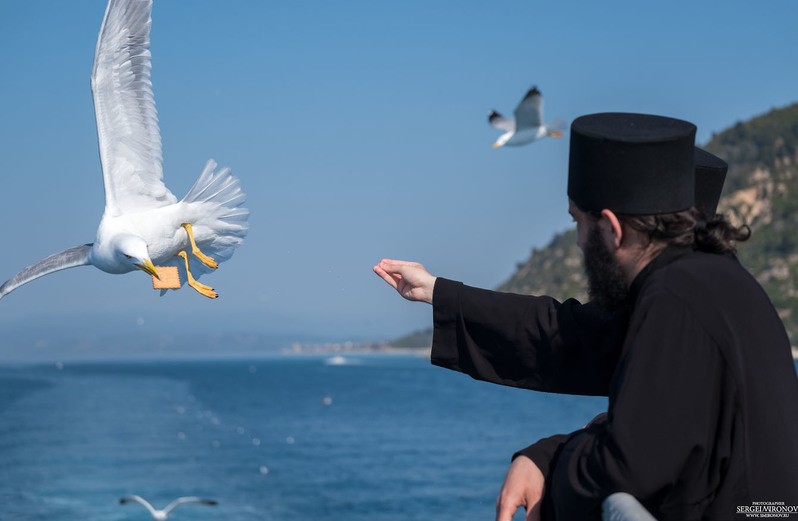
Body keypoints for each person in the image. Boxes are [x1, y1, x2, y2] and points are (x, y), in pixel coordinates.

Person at [373, 112, 798, 521]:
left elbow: (632, 465)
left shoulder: (675, 299)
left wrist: (552, 461)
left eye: (578, 223)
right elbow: (572, 335)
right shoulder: (705, 280)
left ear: (612, 229)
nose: (577, 242)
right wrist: (437, 292)